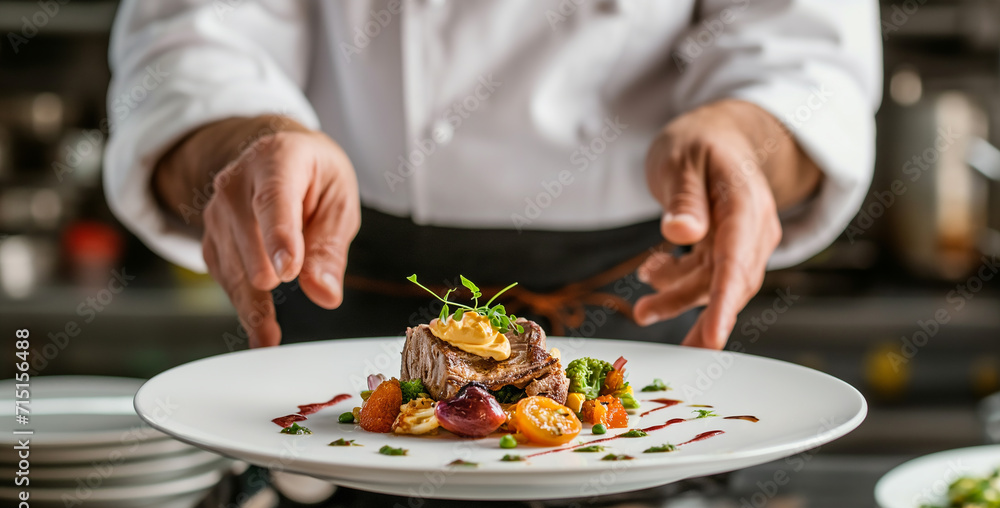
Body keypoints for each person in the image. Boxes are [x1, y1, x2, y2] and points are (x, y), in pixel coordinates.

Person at [104, 0, 881, 351]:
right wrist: (246, 140)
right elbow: (189, 45)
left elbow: (807, 59)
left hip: (633, 305)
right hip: (333, 284)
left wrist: (745, 136)